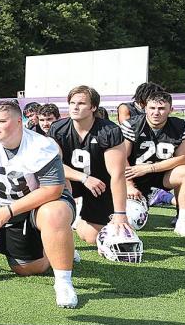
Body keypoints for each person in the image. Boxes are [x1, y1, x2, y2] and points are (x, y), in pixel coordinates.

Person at [0, 100, 78, 308]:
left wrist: (9, 211)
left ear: (19, 122)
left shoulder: (41, 146)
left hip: (45, 203)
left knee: (52, 214)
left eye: (2, 121)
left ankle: (63, 282)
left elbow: (52, 190)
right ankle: (58, 247)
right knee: (25, 268)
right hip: (11, 208)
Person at [49, 85, 129, 244]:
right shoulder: (58, 128)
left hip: (99, 185)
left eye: (81, 104)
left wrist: (120, 213)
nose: (75, 107)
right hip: (71, 181)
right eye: (72, 103)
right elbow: (55, 166)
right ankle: (67, 211)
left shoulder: (109, 131)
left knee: (91, 237)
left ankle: (79, 218)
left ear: (93, 107)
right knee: (55, 179)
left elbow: (117, 174)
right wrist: (84, 178)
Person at [120, 91, 185, 237]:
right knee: (131, 221)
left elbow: (182, 158)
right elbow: (121, 158)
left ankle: (183, 221)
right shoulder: (132, 125)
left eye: (161, 109)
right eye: (152, 108)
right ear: (145, 108)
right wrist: (128, 185)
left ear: (170, 110)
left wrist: (150, 168)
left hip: (162, 174)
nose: (156, 113)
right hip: (133, 176)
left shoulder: (179, 125)